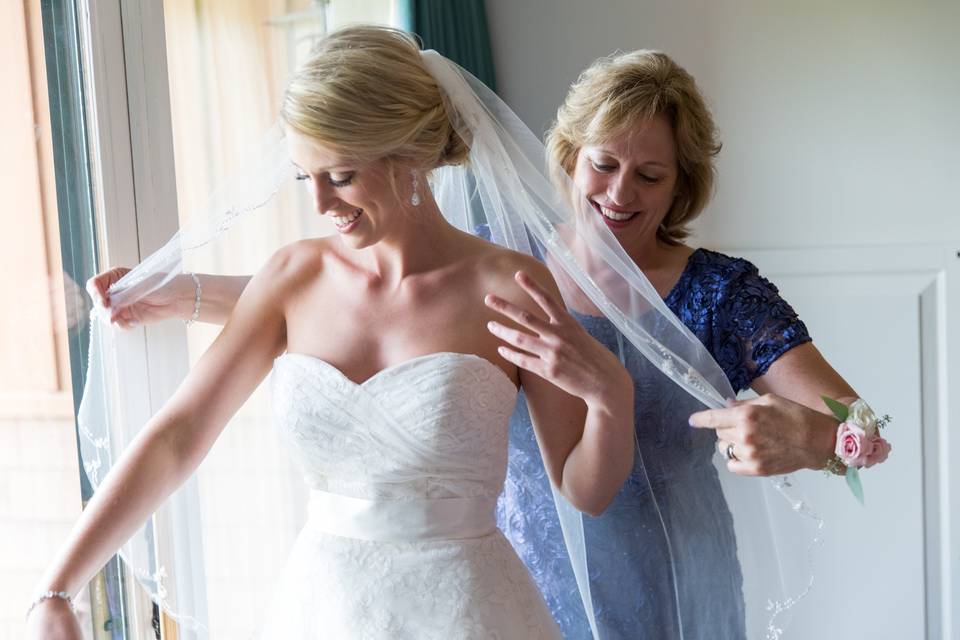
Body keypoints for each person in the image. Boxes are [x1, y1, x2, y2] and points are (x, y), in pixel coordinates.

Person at [82, 48, 873, 639]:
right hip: (506, 575)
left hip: (663, 579)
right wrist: (182, 296)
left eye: (651, 175)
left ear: (682, 184)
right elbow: (357, 311)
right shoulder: (497, 261)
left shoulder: (722, 293)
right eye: (603, 164)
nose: (619, 193)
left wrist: (813, 439)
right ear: (567, 157)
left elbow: (862, 430)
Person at [27, 26, 638, 639]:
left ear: (410, 159)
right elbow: (178, 436)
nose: (320, 202)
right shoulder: (294, 275)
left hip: (467, 612)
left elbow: (582, 490)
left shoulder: (510, 285)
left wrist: (612, 397)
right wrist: (57, 588)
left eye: (340, 175)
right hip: (323, 608)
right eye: (304, 177)